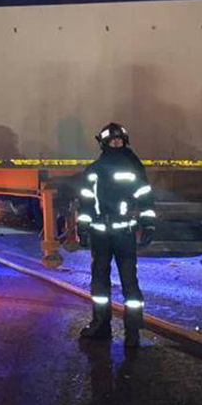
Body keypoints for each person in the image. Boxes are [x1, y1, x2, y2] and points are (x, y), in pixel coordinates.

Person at [76, 122, 156, 346]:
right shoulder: (94, 170)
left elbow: (145, 198)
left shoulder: (133, 167)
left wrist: (148, 225)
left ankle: (133, 331)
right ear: (104, 144)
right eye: (112, 141)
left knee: (130, 282)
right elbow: (86, 202)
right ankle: (101, 326)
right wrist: (83, 227)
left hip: (124, 233)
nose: (116, 144)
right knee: (100, 284)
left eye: (119, 141)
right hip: (101, 234)